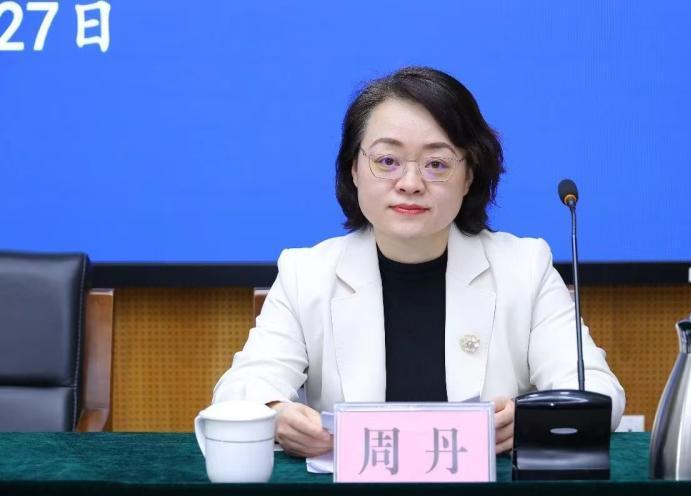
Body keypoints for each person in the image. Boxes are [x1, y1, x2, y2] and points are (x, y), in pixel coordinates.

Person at [212, 66, 625, 458]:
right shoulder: (307, 274)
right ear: (354, 169)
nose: (410, 183)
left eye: (437, 164)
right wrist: (276, 414)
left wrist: (532, 421)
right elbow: (238, 393)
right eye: (387, 161)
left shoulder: (525, 268)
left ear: (469, 177)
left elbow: (598, 392)